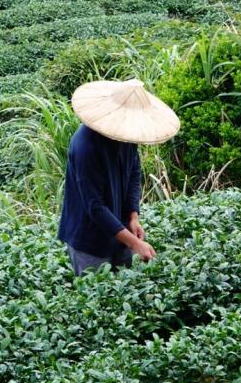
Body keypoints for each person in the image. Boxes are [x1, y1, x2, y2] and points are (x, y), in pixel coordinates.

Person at [58, 78, 180, 275]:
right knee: (96, 298)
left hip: (119, 231)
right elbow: (94, 206)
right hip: (90, 241)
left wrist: (133, 216)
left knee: (122, 293)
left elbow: (134, 171)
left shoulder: (126, 133)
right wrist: (136, 244)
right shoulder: (85, 147)